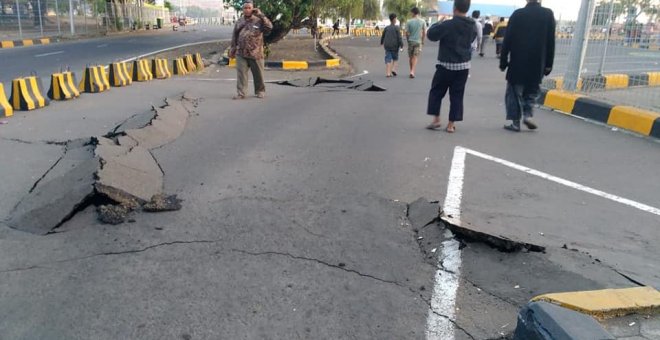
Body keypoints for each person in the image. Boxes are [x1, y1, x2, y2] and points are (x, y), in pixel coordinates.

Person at [500, 0, 555, 132]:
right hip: (537, 62)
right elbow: (550, 41)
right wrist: (548, 64)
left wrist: (503, 60)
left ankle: (515, 123)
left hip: (518, 62)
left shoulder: (518, 14)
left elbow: (507, 39)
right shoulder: (548, 14)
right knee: (531, 91)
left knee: (515, 93)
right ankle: (528, 115)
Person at [425, 0, 478, 133]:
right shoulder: (473, 25)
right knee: (457, 95)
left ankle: (436, 119)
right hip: (463, 66)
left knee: (436, 92)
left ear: (454, 8)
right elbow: (472, 40)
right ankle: (451, 124)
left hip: (445, 65)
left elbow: (431, 35)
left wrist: (438, 22)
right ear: (467, 9)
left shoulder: (448, 24)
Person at [229, 0, 273, 100]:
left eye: (249, 8)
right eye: (245, 8)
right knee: (241, 74)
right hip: (241, 52)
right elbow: (234, 36)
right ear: (243, 9)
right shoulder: (240, 21)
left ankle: (260, 91)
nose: (247, 10)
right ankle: (241, 93)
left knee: (258, 74)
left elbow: (269, 27)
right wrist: (232, 48)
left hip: (255, 53)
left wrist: (261, 15)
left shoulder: (259, 21)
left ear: (253, 8)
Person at [406, 7, 427, 78]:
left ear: (413, 13)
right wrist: (423, 40)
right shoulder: (422, 21)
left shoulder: (409, 21)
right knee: (415, 56)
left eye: (411, 12)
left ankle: (411, 70)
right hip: (418, 41)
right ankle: (412, 71)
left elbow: (407, 33)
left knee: (410, 57)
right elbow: (424, 32)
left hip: (411, 41)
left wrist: (408, 40)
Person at [381, 13, 403, 78]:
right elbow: (399, 37)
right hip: (395, 46)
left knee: (388, 58)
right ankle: (393, 69)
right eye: (396, 18)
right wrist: (401, 44)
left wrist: (382, 42)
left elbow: (383, 36)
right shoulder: (397, 28)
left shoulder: (386, 28)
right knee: (395, 58)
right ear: (394, 19)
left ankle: (388, 73)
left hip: (387, 45)